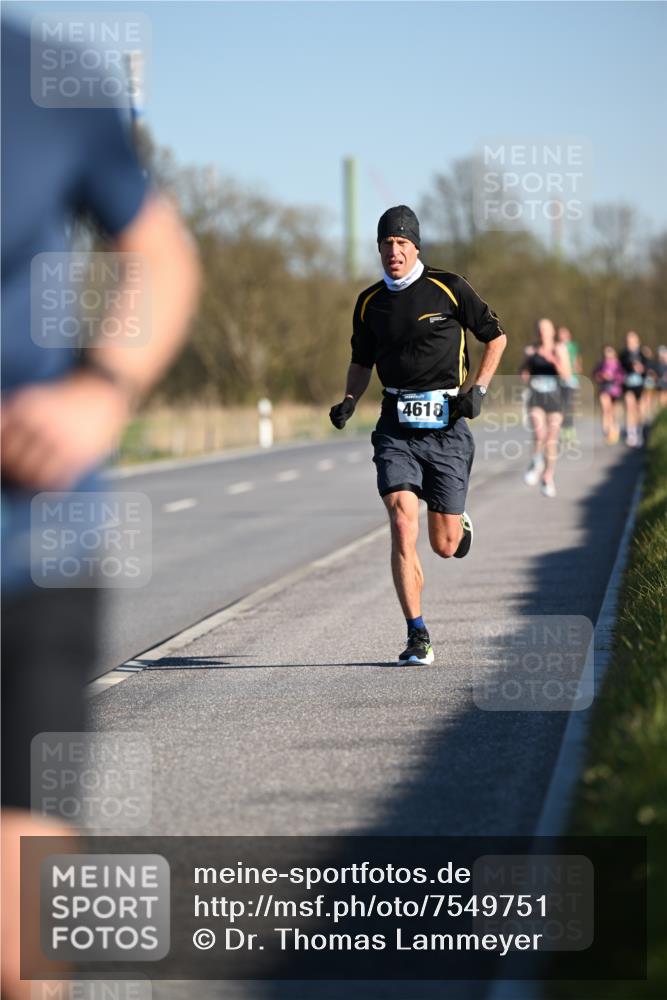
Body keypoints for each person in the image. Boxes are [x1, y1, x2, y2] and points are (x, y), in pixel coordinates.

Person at [1, 19, 200, 1000]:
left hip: (28, 546)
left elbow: (158, 256)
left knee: (13, 939)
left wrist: (100, 389)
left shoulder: (43, 81)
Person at [329, 206, 506, 666]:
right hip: (396, 426)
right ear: (379, 249)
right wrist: (350, 399)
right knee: (402, 520)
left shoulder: (449, 287)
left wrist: (478, 391)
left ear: (415, 247)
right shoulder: (369, 302)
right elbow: (361, 360)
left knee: (444, 546)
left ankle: (458, 519)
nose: (394, 252)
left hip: (447, 424)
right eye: (386, 245)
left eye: (402, 244)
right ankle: (417, 634)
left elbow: (497, 336)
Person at [520, 318, 572, 498]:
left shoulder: (559, 349)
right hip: (536, 398)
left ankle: (548, 476)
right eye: (539, 329)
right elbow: (523, 376)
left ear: (552, 331)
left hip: (555, 399)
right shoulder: (531, 350)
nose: (542, 332)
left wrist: (554, 360)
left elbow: (567, 375)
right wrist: (526, 363)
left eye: (546, 329)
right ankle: (536, 463)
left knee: (551, 439)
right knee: (539, 434)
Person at [618, 330, 646, 447]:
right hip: (628, 385)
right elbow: (619, 368)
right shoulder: (623, 354)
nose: (630, 343)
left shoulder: (643, 354)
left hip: (640, 385)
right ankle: (631, 434)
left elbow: (649, 367)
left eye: (632, 341)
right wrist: (630, 367)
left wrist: (642, 369)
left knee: (639, 409)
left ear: (637, 341)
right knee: (630, 408)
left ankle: (640, 432)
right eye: (628, 341)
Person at [592, 345, 624, 443]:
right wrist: (602, 376)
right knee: (606, 409)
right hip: (604, 388)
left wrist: (613, 377)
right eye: (606, 352)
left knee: (613, 411)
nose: (608, 354)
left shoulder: (618, 364)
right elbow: (594, 375)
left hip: (615, 389)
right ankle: (606, 432)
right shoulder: (601, 364)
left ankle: (614, 430)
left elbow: (622, 377)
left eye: (610, 352)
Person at [556, 326, 582, 442]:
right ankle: (563, 430)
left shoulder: (573, 346)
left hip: (571, 379)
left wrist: (577, 370)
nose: (562, 336)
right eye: (560, 334)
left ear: (568, 335)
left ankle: (570, 429)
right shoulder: (556, 346)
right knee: (561, 406)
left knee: (569, 406)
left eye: (564, 333)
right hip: (559, 380)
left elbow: (577, 360)